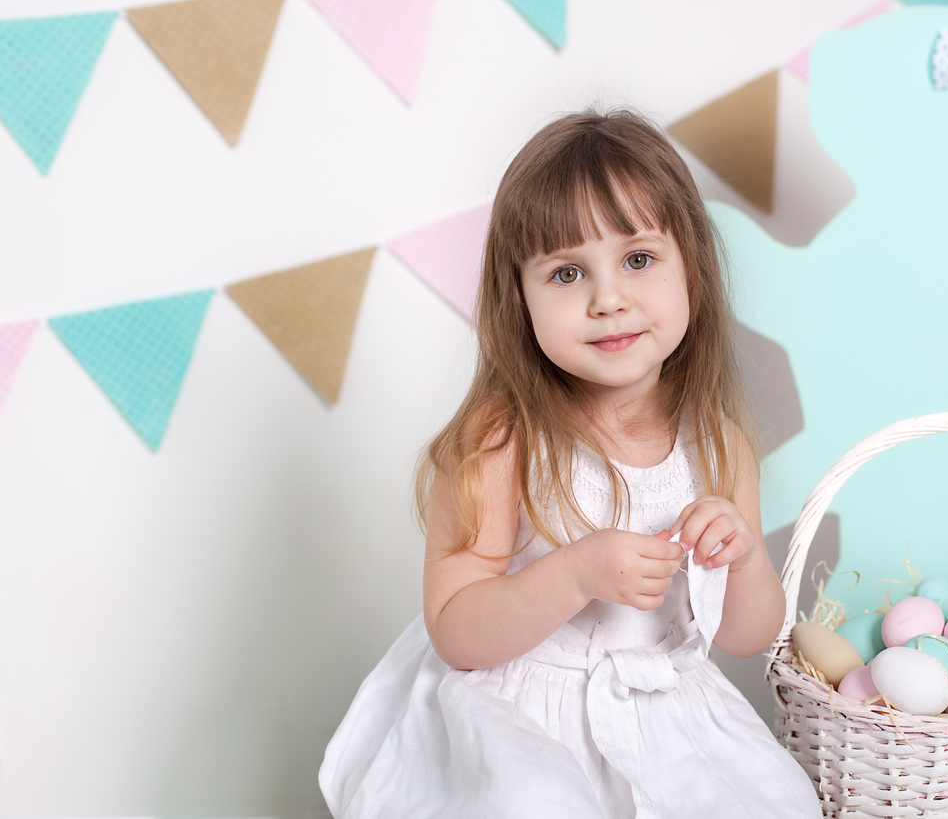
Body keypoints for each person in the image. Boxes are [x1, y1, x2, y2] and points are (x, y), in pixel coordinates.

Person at [318, 109, 822, 818]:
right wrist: (575, 573)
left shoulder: (717, 441)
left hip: (665, 714)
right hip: (524, 715)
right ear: (518, 299)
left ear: (693, 273)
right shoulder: (500, 442)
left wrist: (741, 561)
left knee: (777, 804)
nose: (607, 298)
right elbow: (457, 630)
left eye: (639, 260)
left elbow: (747, 635)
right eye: (566, 273)